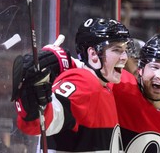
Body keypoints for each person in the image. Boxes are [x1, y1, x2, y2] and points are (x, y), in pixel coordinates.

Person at [12, 18, 131, 152]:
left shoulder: (104, 84)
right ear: (93, 54)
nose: (125, 57)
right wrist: (35, 101)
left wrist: (67, 61)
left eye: (125, 49)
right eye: (117, 50)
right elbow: (42, 122)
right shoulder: (83, 82)